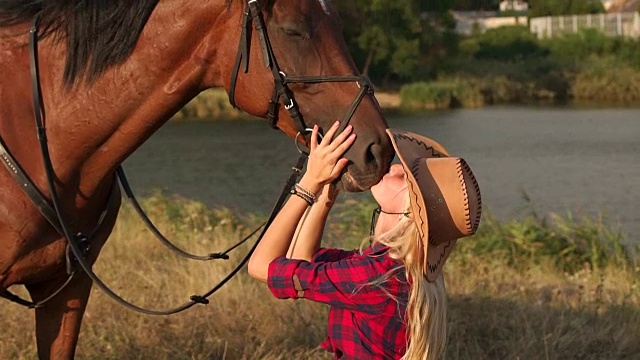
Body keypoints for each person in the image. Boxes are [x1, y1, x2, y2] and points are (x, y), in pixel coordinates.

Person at [248, 121, 482, 360]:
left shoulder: (378, 279)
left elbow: (260, 265)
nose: (394, 166)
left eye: (406, 176)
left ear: (410, 211)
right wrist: (328, 191)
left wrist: (309, 182)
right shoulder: (392, 269)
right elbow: (303, 259)